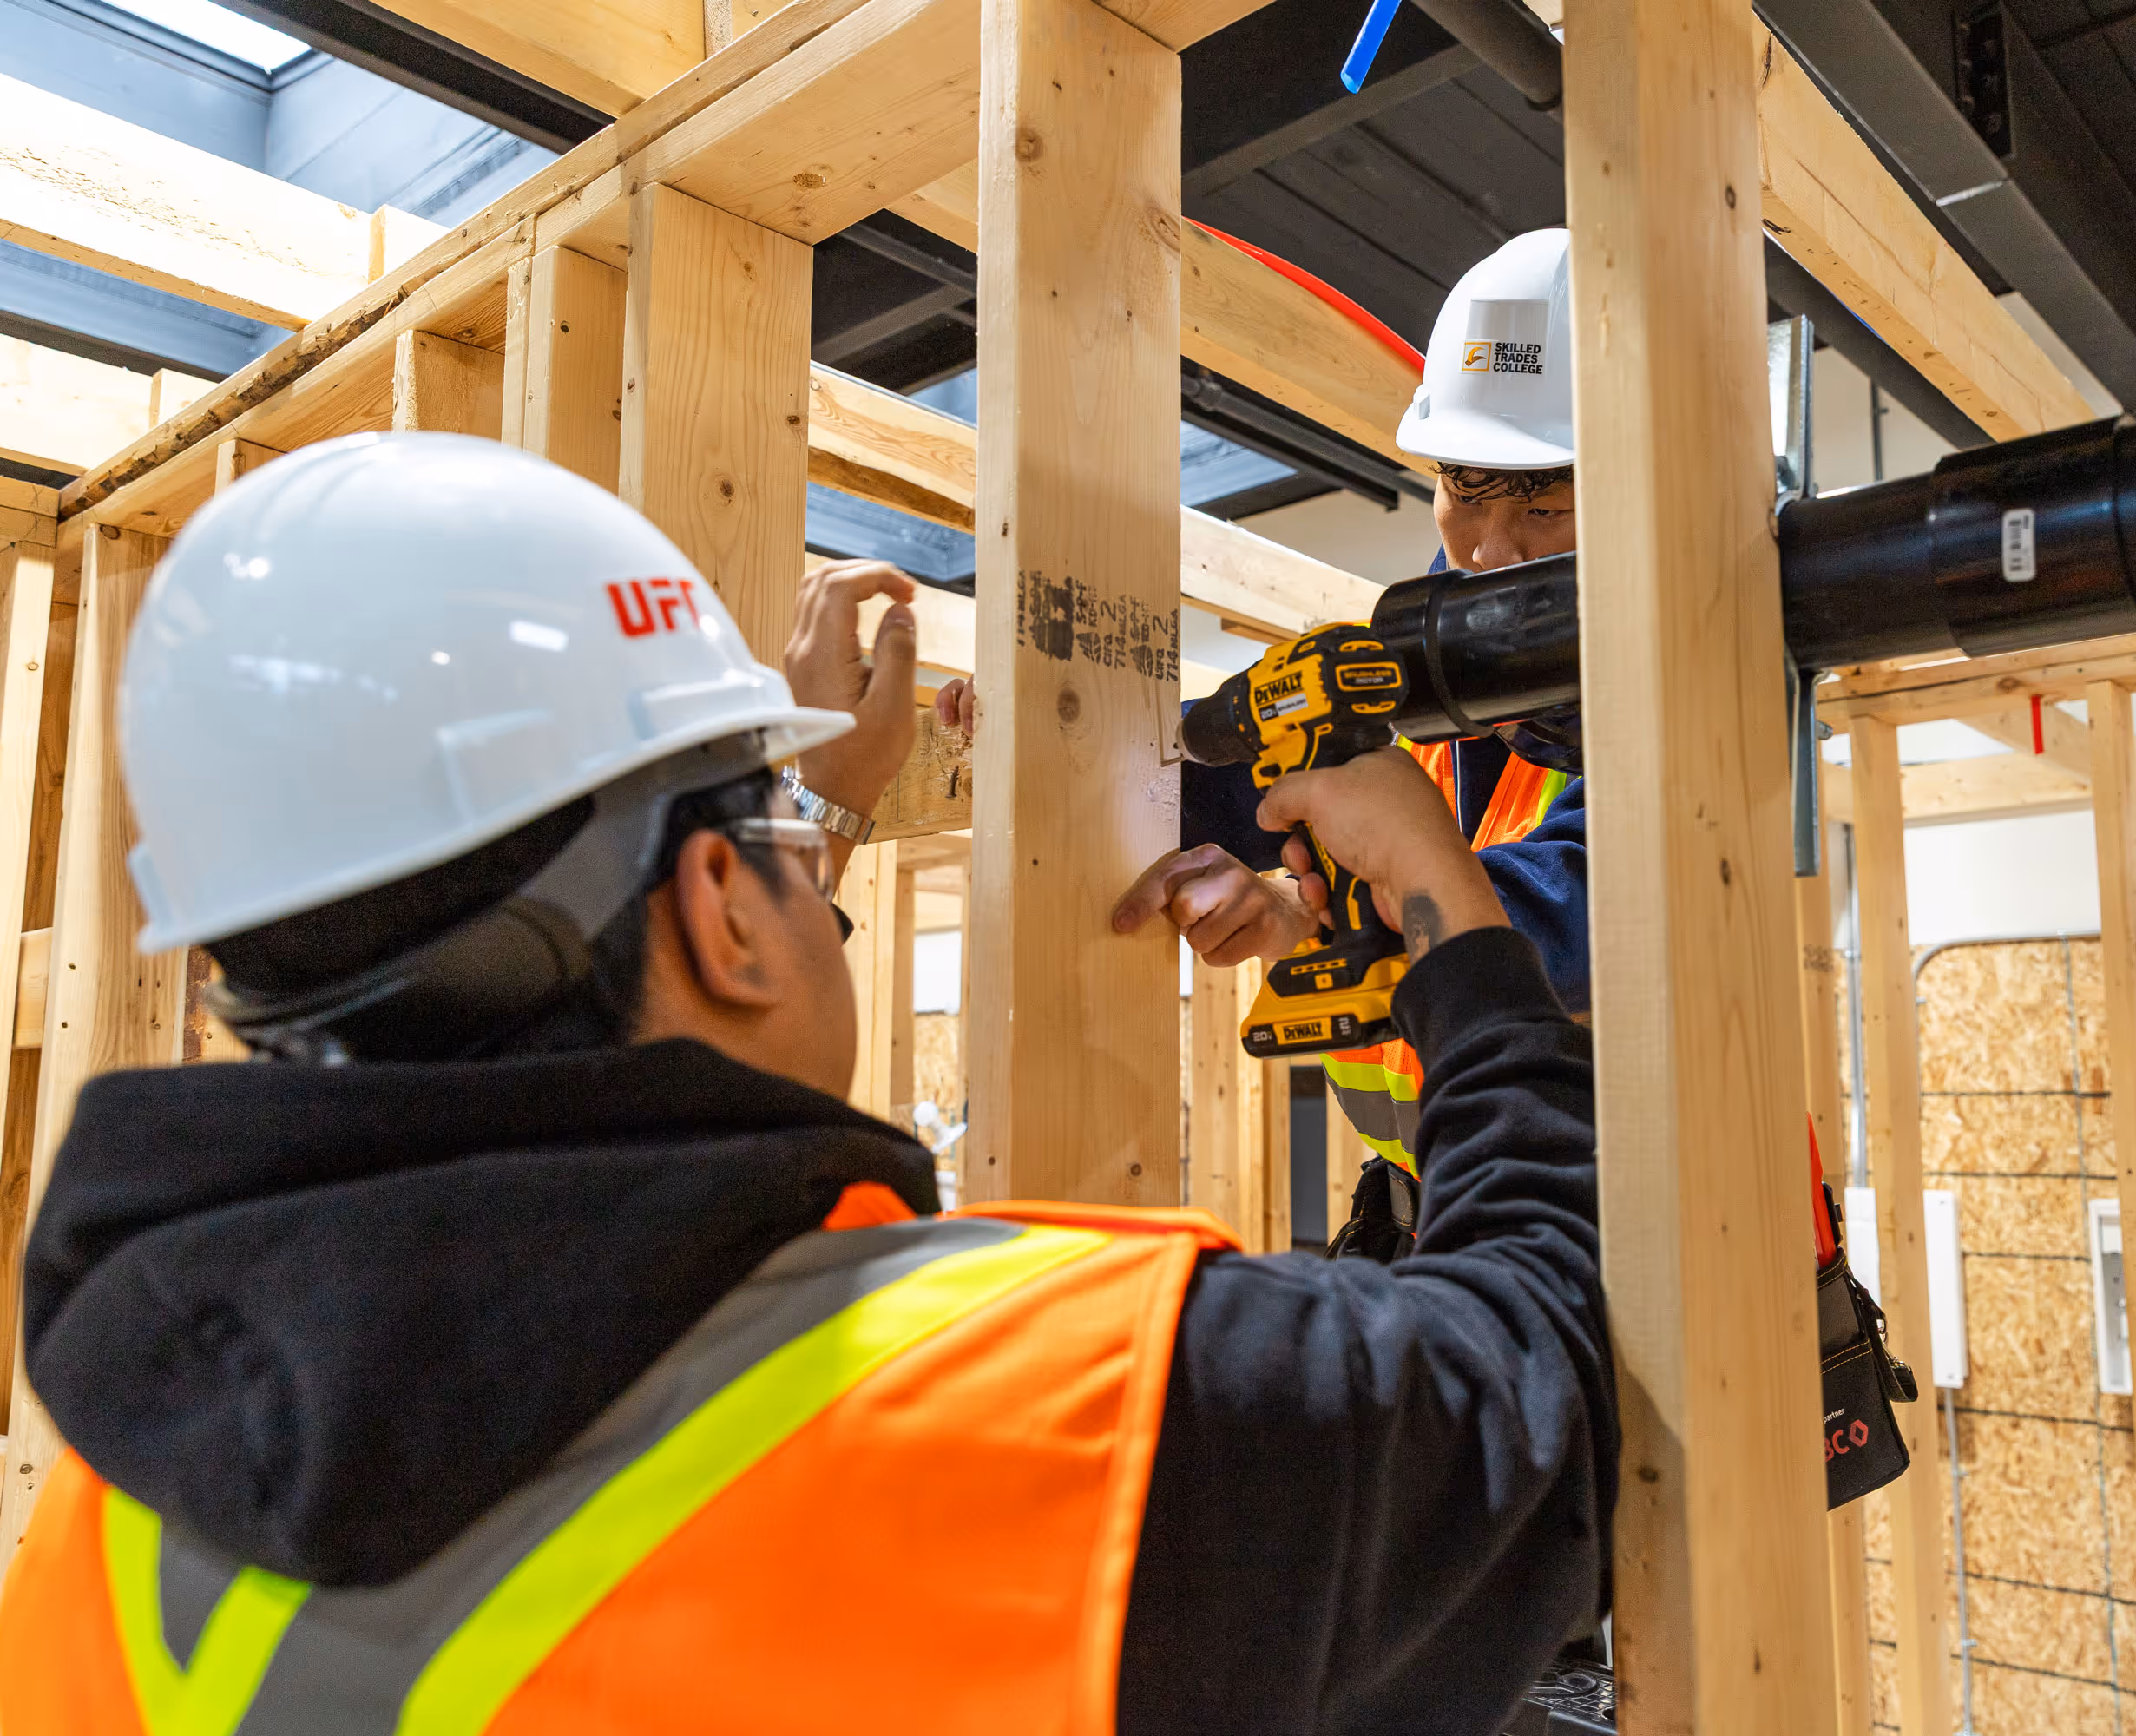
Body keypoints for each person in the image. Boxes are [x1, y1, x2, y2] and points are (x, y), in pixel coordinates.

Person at [0, 432, 1614, 1733]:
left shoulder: (109, 1538)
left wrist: (802, 819)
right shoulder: (1077, 1416)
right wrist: (1435, 892)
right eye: (763, 850)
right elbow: (1546, 1362)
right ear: (716, 914)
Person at [1108, 228, 1587, 1258]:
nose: (1491, 552)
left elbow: (1577, 931)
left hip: (1646, 1278)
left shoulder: (1701, 703)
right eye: (1465, 491)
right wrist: (1044, 721)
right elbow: (1183, 796)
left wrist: (1390, 873)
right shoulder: (1397, 682)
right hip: (1456, 1242)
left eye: (1546, 502)